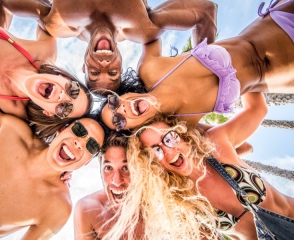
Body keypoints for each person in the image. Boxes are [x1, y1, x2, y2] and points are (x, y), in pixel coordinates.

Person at [106, 92, 294, 239]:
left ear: (181, 132)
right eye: (156, 150)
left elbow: (257, 109)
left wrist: (241, 62)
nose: (169, 151)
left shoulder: (216, 145)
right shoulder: (183, 203)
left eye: (169, 138)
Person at [0, 87, 104, 239]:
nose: (79, 143)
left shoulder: (57, 208)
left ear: (87, 162)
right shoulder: (15, 132)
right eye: (79, 130)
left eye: (91, 146)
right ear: (62, 129)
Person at [100, 0, 294, 131]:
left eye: (114, 103)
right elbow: (236, 147)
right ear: (131, 131)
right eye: (118, 120)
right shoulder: (184, 126)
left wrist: (204, 50)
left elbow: (205, 10)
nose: (122, 109)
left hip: (281, 21)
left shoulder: (151, 69)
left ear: (121, 94)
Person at [0, 0, 218, 92]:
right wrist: (205, 73)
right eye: (113, 72)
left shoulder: (56, 24)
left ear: (84, 67)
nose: (105, 64)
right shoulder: (144, 29)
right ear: (121, 62)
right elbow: (206, 11)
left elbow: (3, 2)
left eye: (96, 72)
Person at [74, 131, 144, 239]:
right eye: (108, 168)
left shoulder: (160, 209)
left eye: (126, 168)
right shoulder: (87, 210)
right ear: (100, 170)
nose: (117, 181)